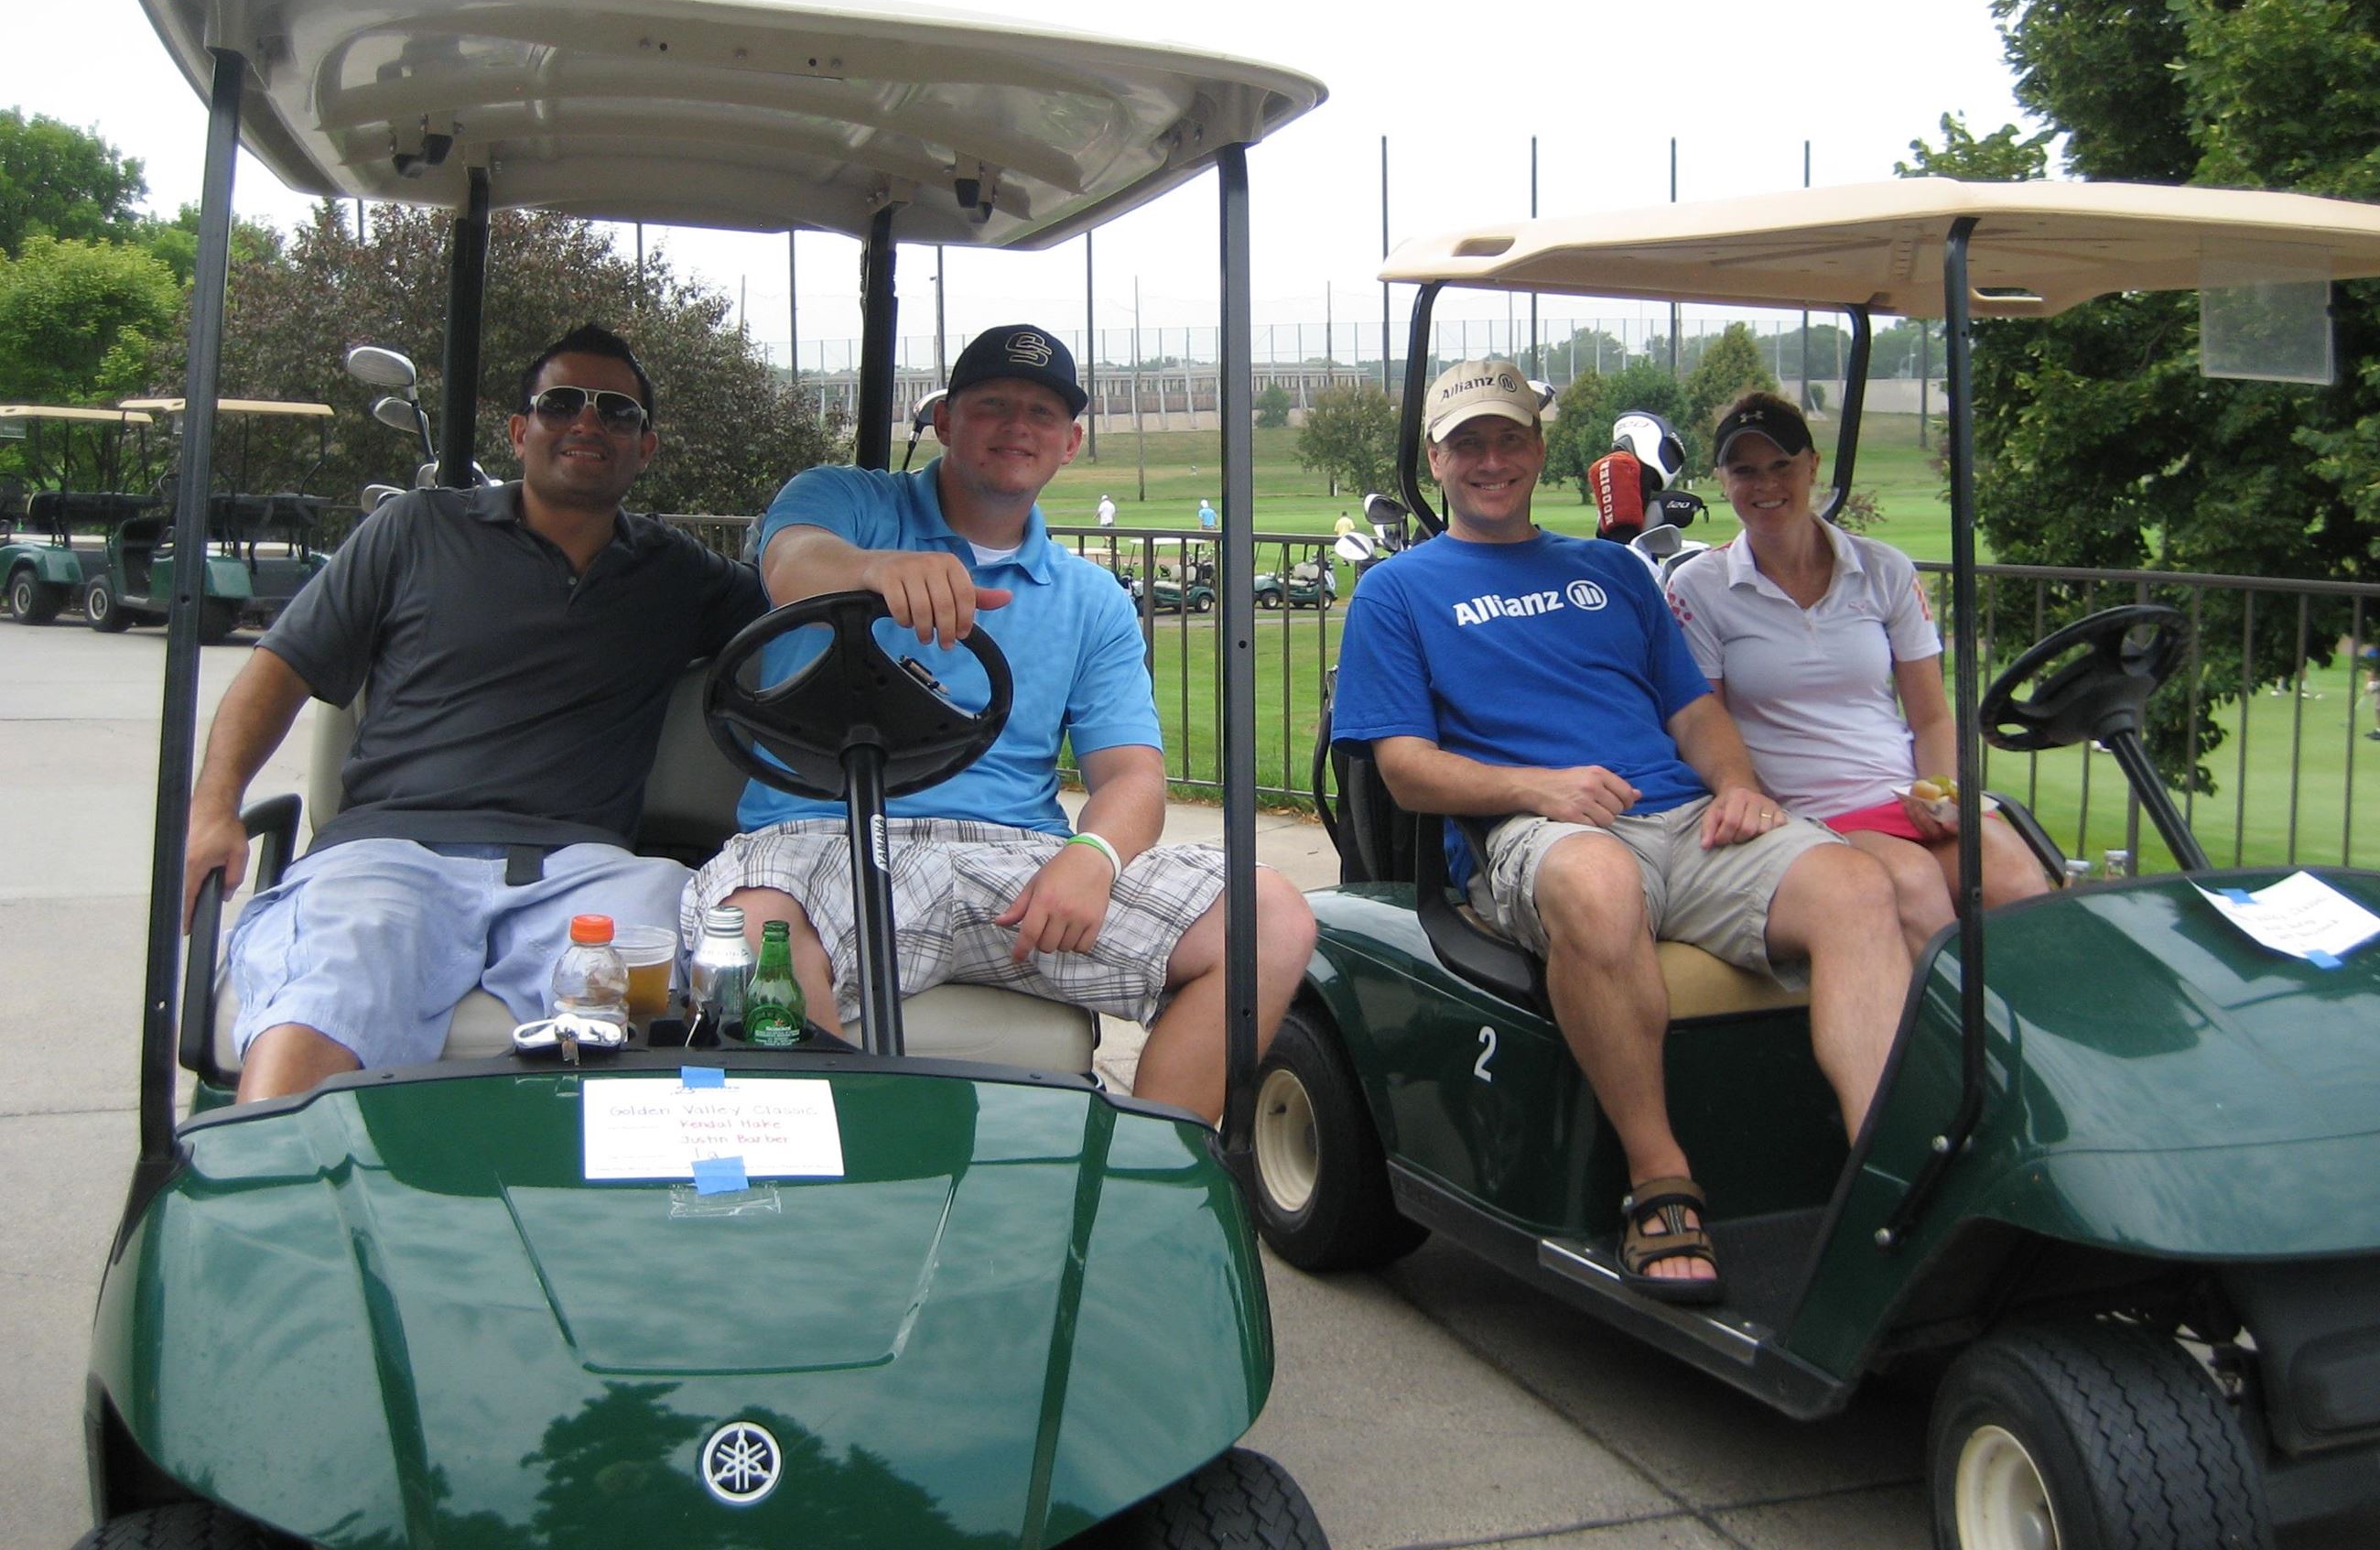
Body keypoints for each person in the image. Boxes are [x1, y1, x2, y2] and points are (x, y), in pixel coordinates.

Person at [1329, 360, 1910, 1304]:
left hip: (1680, 818)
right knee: (1595, 887)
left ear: (1537, 450)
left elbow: (1690, 713)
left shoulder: (1609, 571)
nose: (1489, 460)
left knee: (1854, 888)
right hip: (1528, 832)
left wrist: (1737, 785)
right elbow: (1403, 768)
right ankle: (1658, 1179)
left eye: (1508, 438)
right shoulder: (1397, 593)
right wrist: (1538, 789)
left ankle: (1884, 1175)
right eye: (1467, 443)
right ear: (1433, 458)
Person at [685, 323, 1314, 1124]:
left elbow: (1133, 777)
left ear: (1071, 441)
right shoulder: (844, 502)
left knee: (1271, 918)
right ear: (944, 420)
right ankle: (825, 1197)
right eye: (993, 406)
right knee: (756, 937)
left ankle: (1141, 1188)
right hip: (819, 838)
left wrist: (1094, 854)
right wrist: (876, 570)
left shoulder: (1093, 600)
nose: (1018, 427)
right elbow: (793, 560)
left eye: (1042, 414)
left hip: (1010, 863)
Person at [185, 324, 768, 1102]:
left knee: (672, 954)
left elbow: (797, 607)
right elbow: (280, 668)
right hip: (395, 848)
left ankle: (629, 1201)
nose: (588, 423)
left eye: (617, 413)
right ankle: (276, 1193)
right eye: (562, 404)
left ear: (645, 448)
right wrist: (213, 808)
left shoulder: (679, 574)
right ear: (521, 430)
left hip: (579, 864)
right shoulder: (413, 530)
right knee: (338, 973)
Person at [1666, 392, 2050, 956]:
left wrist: (1940, 793)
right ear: (1722, 479)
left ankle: (2028, 1037)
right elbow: (1707, 722)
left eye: (1782, 466)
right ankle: (1957, 1042)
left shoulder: (1883, 569)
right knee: (1915, 888)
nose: (1766, 485)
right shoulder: (1700, 586)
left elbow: (1932, 716)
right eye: (1745, 470)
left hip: (1902, 793)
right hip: (1803, 811)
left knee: (2019, 883)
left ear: (1813, 466)